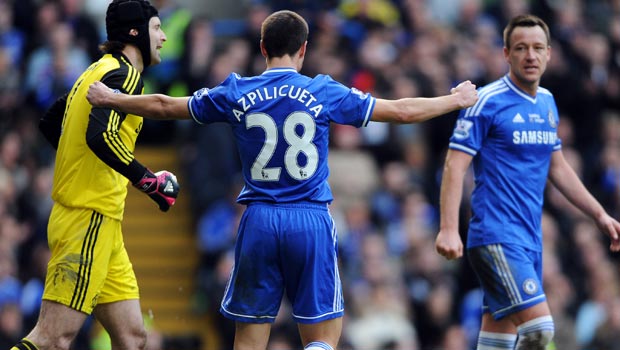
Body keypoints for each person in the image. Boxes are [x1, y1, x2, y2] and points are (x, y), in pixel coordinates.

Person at [85, 9, 478, 350]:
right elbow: (402, 111)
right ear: (303, 49)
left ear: (262, 48)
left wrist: (112, 99)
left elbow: (163, 105)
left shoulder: (237, 90)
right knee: (325, 333)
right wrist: (454, 100)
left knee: (249, 340)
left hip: (257, 221)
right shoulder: (322, 90)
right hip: (310, 219)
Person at [434, 14, 620, 350]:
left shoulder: (547, 102)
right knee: (539, 330)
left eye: (537, 48)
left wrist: (599, 214)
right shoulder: (487, 102)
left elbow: (558, 167)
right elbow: (454, 164)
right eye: (521, 48)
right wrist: (449, 228)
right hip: (496, 236)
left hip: (529, 239)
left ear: (549, 53)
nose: (530, 55)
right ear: (506, 54)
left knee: (498, 342)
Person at [10, 1, 179, 350]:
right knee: (52, 338)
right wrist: (149, 181)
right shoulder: (125, 75)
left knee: (132, 337)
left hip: (102, 222)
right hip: (88, 218)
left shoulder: (96, 70)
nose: (162, 37)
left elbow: (50, 122)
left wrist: (84, 166)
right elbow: (100, 135)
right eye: (157, 28)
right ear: (135, 33)